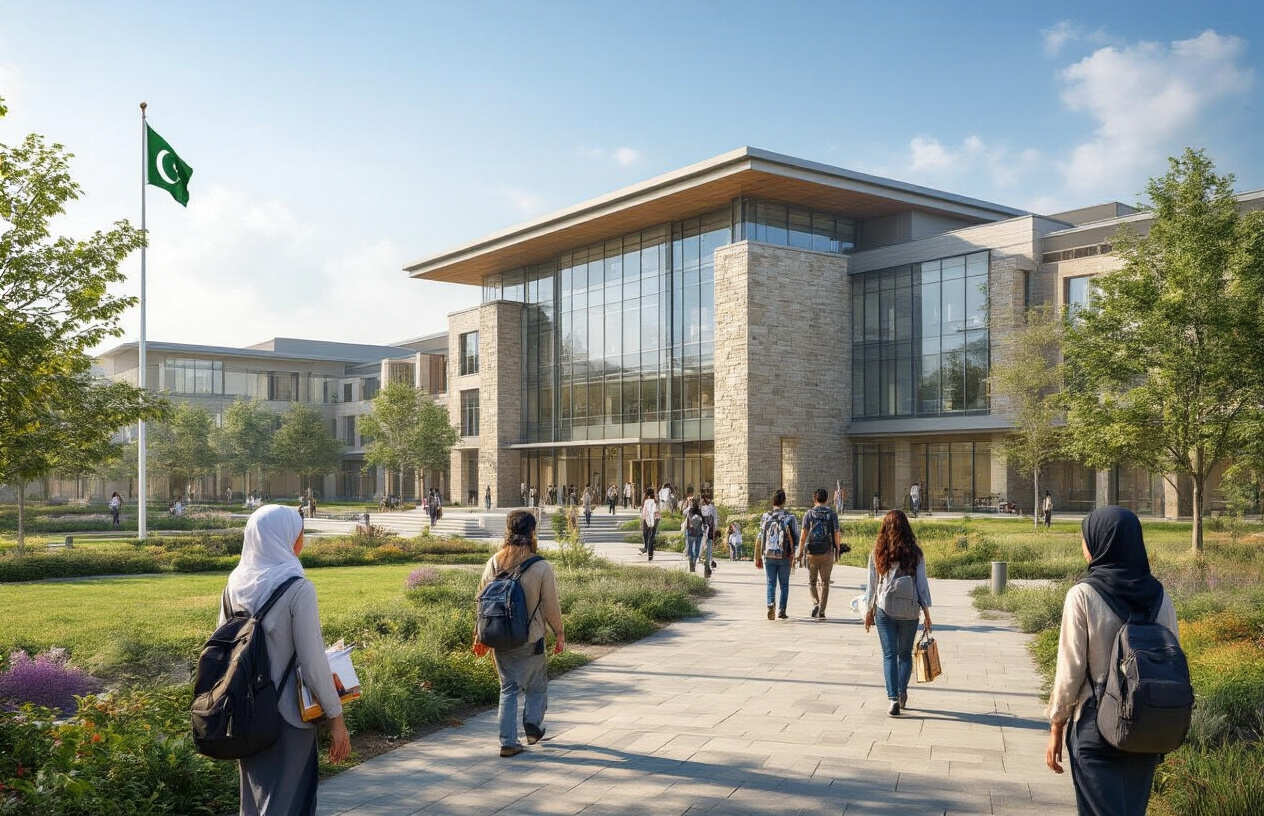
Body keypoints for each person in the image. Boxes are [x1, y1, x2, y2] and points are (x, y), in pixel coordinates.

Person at [1045, 507, 1177, 816]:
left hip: (1096, 723)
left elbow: (1071, 670)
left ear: (1100, 543)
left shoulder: (1083, 595)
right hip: (1146, 724)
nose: (1083, 545)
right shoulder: (1160, 595)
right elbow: (1173, 659)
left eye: (1084, 538)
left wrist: (1056, 726)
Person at [221, 504, 351, 814]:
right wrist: (336, 720)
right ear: (287, 538)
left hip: (246, 711)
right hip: (288, 717)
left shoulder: (234, 585)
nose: (302, 539)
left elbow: (225, 649)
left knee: (254, 802)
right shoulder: (297, 588)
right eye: (299, 533)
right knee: (289, 803)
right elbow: (313, 663)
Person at [474, 511, 565, 758]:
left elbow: (481, 600)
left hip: (499, 636)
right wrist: (559, 632)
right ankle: (533, 728)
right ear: (532, 532)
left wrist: (478, 635)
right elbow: (551, 606)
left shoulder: (494, 561)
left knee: (508, 688)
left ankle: (508, 741)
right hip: (530, 636)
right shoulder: (541, 566)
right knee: (537, 683)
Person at [864, 509, 933, 716]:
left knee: (889, 654)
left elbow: (872, 584)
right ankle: (902, 692)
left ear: (885, 527)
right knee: (904, 654)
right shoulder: (915, 552)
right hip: (910, 611)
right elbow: (921, 585)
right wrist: (927, 613)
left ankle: (892, 698)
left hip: (885, 609)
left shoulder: (879, 550)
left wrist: (869, 610)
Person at [755, 489, 800, 620]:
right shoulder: (789, 517)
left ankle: (770, 604)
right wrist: (795, 552)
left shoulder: (765, 516)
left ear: (772, 501)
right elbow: (796, 537)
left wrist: (759, 554)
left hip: (768, 554)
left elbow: (761, 535)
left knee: (770, 582)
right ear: (784, 501)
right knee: (784, 584)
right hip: (784, 555)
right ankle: (782, 610)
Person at [800, 488, 841, 620]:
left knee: (812, 581)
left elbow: (803, 535)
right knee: (825, 582)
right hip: (827, 551)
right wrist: (837, 549)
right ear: (827, 499)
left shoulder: (809, 514)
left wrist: (800, 551)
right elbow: (836, 533)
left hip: (811, 552)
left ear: (814, 498)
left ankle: (815, 603)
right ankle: (822, 610)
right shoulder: (832, 514)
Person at [682, 498, 706, 573]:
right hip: (699, 533)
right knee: (697, 549)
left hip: (691, 532)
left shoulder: (689, 511)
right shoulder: (700, 512)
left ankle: (691, 562)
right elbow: (704, 522)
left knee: (690, 549)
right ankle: (694, 562)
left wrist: (688, 506)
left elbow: (683, 512)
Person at [700, 493, 719, 576]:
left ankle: (708, 563)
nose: (707, 499)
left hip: (709, 530)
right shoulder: (701, 507)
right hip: (704, 530)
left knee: (709, 547)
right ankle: (705, 563)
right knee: (704, 547)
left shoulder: (712, 508)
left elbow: (715, 521)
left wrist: (714, 531)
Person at [639, 487, 659, 561]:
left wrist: (644, 521)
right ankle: (650, 554)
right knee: (651, 537)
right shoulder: (655, 501)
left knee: (646, 536)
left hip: (647, 520)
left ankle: (646, 548)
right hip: (655, 520)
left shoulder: (646, 501)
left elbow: (644, 513)